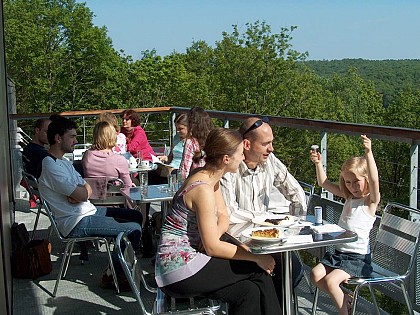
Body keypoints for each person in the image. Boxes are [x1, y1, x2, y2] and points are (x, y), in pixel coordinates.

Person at [155, 128, 281, 315]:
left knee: (248, 292)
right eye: (240, 153)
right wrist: (256, 257)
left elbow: (223, 216)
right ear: (226, 159)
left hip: (182, 262)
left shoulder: (208, 176)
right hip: (179, 268)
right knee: (258, 269)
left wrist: (213, 236)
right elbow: (213, 247)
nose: (243, 157)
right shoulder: (203, 189)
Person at [38, 115, 143, 291]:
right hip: (76, 222)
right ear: (58, 138)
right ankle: (117, 275)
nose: (76, 141)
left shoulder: (63, 162)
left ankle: (114, 270)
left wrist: (82, 192)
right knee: (133, 228)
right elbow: (82, 191)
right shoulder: (51, 167)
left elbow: (84, 188)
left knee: (135, 216)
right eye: (72, 137)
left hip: (88, 211)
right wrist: (81, 192)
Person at [220, 116, 307, 304]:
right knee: (275, 273)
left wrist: (294, 226)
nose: (271, 148)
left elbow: (296, 193)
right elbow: (229, 213)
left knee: (292, 269)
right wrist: (265, 218)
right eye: (266, 143)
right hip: (235, 242)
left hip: (266, 239)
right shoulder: (229, 164)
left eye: (272, 143)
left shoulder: (270, 161)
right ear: (247, 145)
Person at [309, 135, 380, 315]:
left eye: (356, 181)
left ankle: (344, 313)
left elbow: (374, 181)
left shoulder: (370, 202)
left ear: (365, 180)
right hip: (339, 254)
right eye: (348, 182)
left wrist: (369, 153)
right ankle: (346, 298)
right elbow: (323, 183)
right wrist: (318, 164)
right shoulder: (348, 198)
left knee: (331, 281)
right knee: (315, 275)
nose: (352, 186)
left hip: (357, 259)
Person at [82, 121, 135, 188]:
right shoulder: (119, 160)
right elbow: (128, 185)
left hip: (91, 196)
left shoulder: (87, 156)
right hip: (115, 197)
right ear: (113, 137)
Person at [179, 107, 213, 180]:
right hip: (211, 180)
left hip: (195, 182)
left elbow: (184, 171)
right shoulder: (213, 138)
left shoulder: (191, 142)